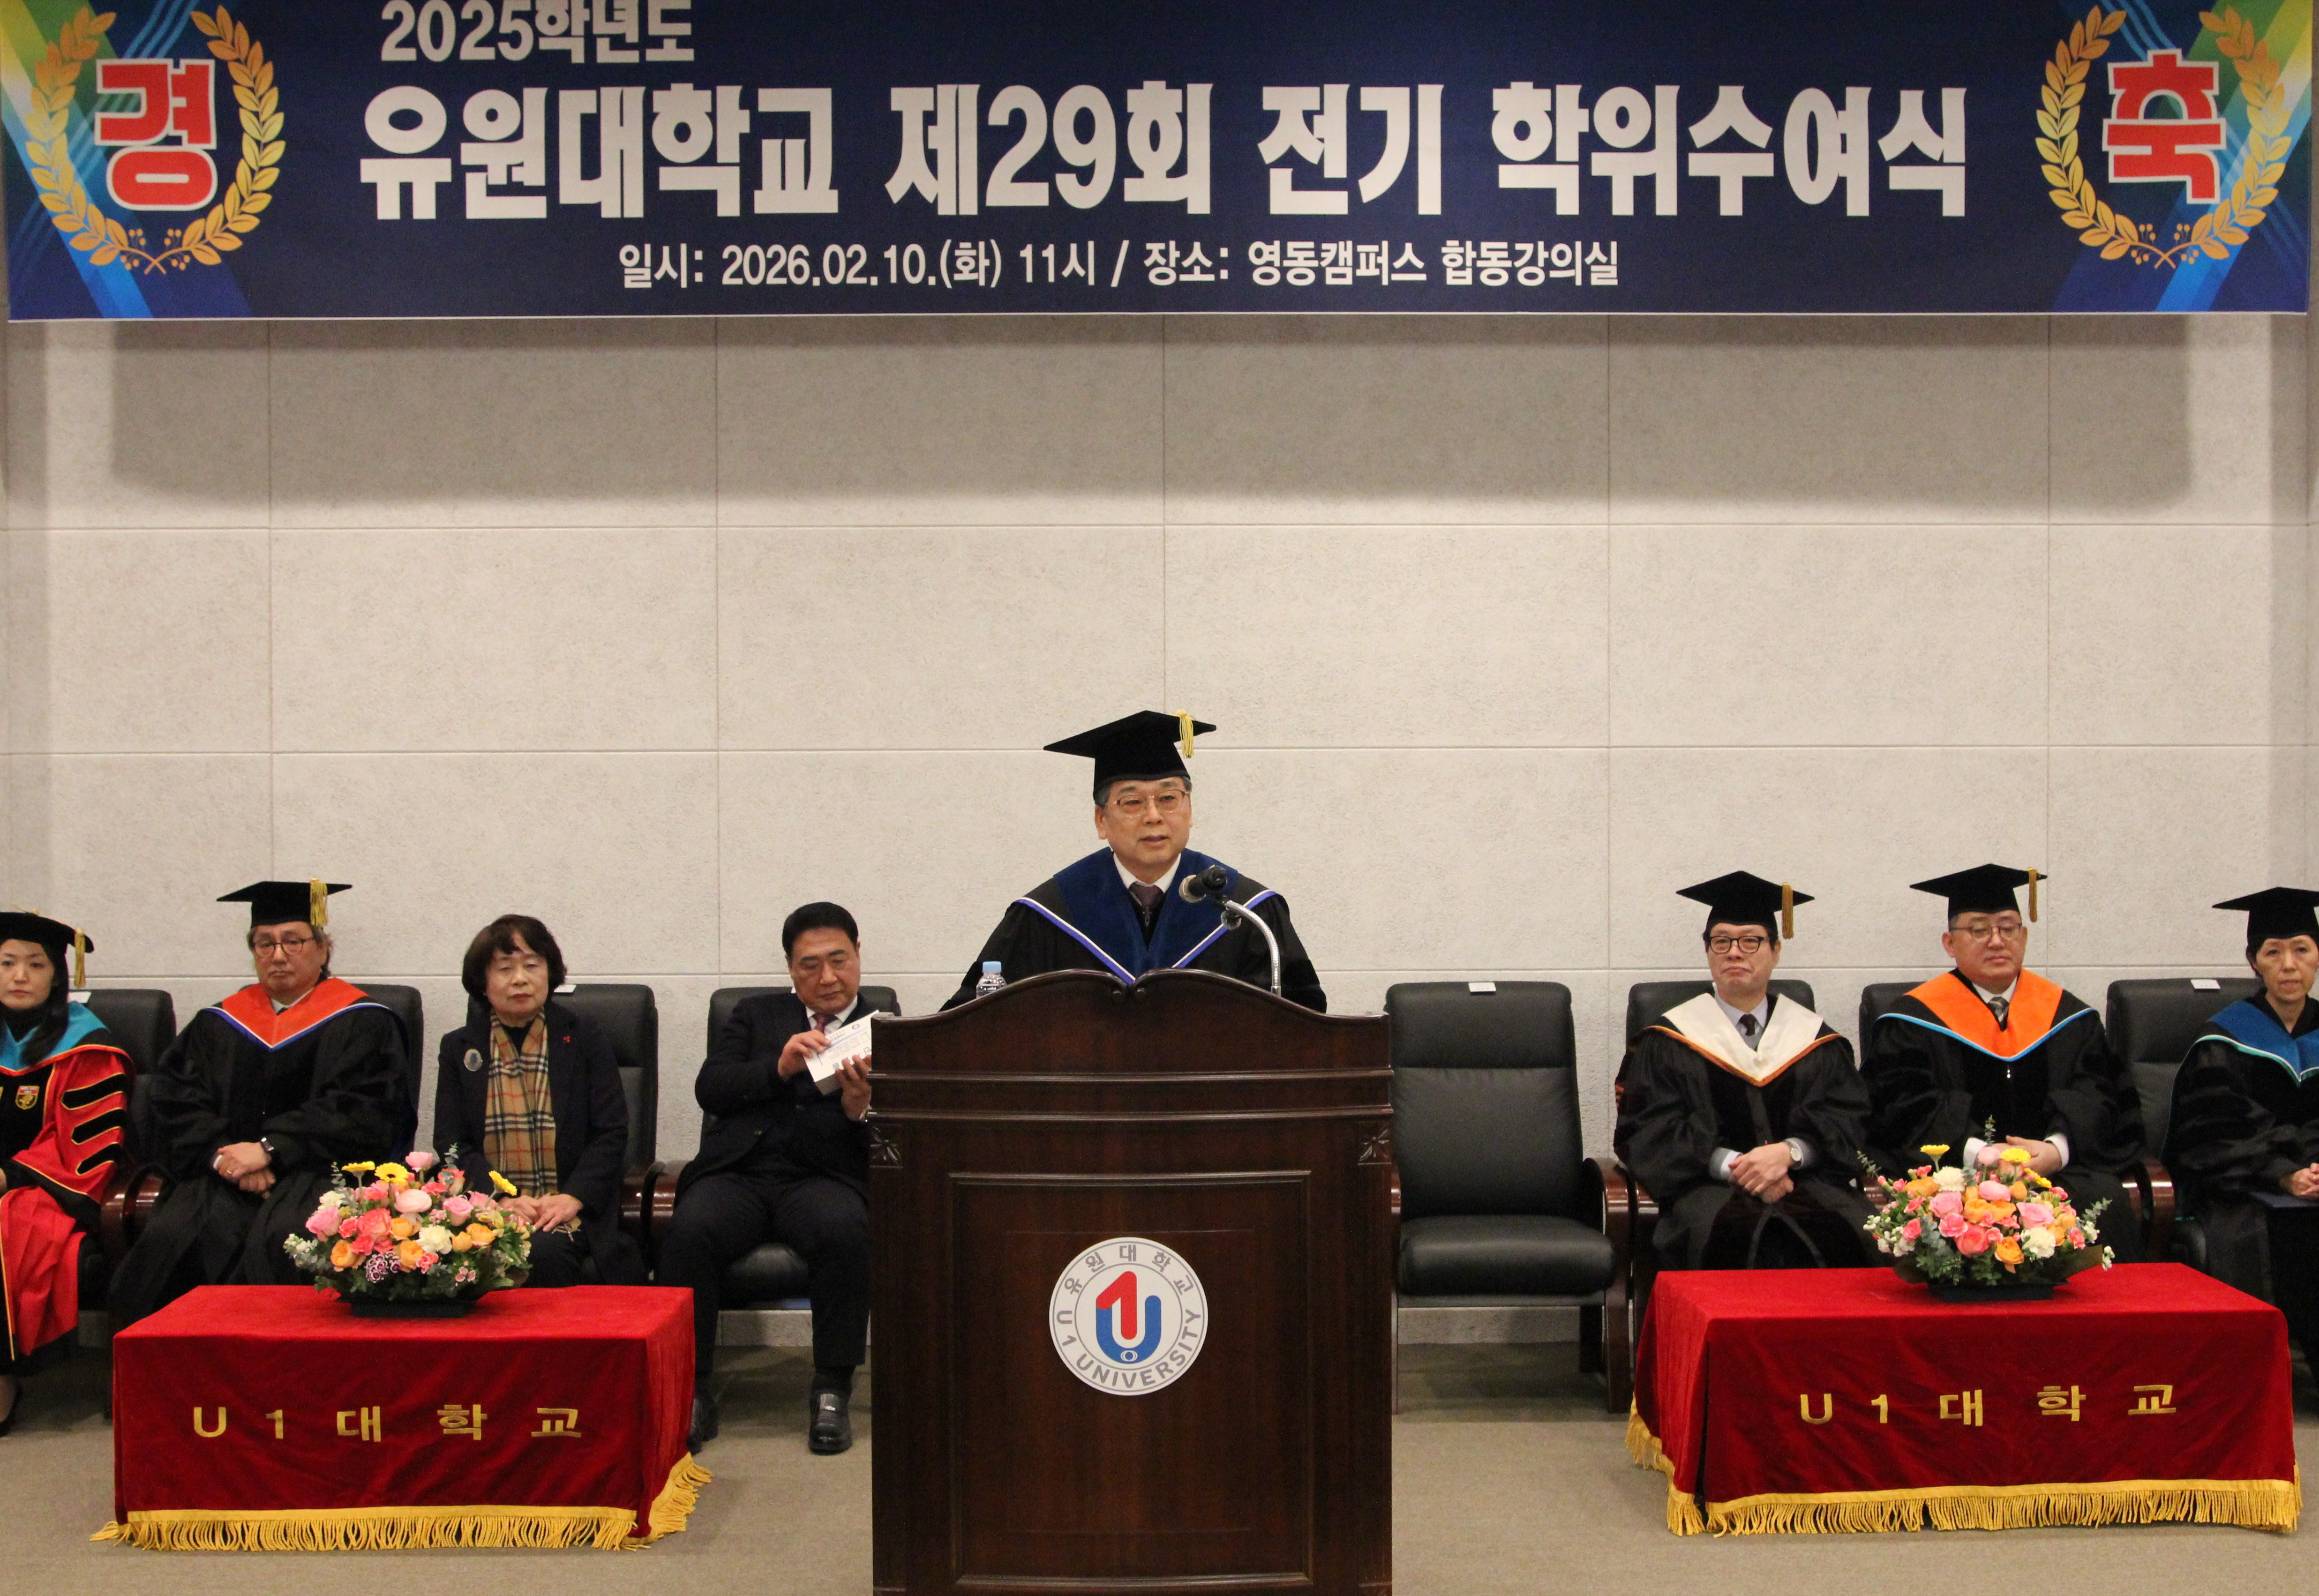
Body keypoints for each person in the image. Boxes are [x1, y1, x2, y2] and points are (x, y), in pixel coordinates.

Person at [109, 882, 410, 1327]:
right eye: (264, 943)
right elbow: (173, 1101)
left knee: (286, 1239)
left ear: (323, 949)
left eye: (293, 941)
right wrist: (225, 1158)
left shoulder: (365, 1021)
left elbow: (365, 1111)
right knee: (172, 1238)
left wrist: (270, 1149)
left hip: (317, 1173)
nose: (278, 955)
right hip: (222, 1174)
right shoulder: (217, 1023)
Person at [659, 902, 877, 1456]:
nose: (827, 978)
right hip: (742, 1172)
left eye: (838, 960)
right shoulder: (755, 1015)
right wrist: (777, 1068)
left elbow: (900, 1138)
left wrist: (860, 1109)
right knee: (691, 1230)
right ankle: (691, 1390)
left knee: (845, 1231)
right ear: (790, 968)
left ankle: (831, 1389)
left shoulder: (887, 1029)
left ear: (858, 956)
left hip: (824, 1177)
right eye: (810, 965)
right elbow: (711, 1089)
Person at [945, 711, 1325, 1011]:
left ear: (1190, 810)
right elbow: (971, 1022)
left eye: (1169, 798)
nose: (1153, 816)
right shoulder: (1047, 915)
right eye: (1132, 802)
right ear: (1101, 820)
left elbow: (1303, 1021)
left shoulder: (1246, 911)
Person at [1861, 864, 2144, 1260]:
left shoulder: (2069, 1017)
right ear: (1949, 943)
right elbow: (1904, 1109)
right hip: (1955, 1178)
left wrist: (2056, 1150)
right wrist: (1982, 1155)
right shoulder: (1910, 1022)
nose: (1996, 941)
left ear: (2023, 937)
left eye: (2008, 928)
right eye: (1978, 929)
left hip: (2055, 1175)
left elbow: (2098, 1096)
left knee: (2104, 1201)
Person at [1614, 874, 1872, 1270]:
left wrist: (1789, 1153)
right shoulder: (1668, 1039)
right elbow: (1648, 1132)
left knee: (1858, 1230)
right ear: (1708, 951)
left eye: (1750, 940)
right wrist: (1738, 1166)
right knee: (1719, 1232)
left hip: (1807, 1181)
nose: (1734, 952)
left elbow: (1849, 1122)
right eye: (1721, 941)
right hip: (1707, 1187)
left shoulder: (1815, 1039)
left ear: (1775, 950)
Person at [432, 916, 644, 1290]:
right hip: (487, 1207)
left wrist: (573, 1197)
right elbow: (452, 1143)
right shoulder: (459, 1048)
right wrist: (498, 1199)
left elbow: (610, 1132)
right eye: (505, 968)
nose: (520, 979)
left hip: (568, 1206)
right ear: (482, 982)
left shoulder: (583, 1036)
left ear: (550, 973)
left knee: (541, 1250)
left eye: (532, 965)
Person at [2163, 887, 2319, 1358]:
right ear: (2253, 961)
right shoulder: (2223, 1038)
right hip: (2245, 1185)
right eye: (2273, 953)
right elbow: (2213, 1129)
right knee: (2259, 1235)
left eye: (2301, 950)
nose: (2288, 965)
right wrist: (2285, 1173)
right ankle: (2260, 1373)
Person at [0, 914, 131, 1434]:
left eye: (36, 965)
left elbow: (85, 1147)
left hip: (45, 1188)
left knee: (10, 1226)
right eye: (6, 963)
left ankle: (3, 1379)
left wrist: (7, 1178)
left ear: (57, 975)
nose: (19, 976)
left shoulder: (87, 1048)